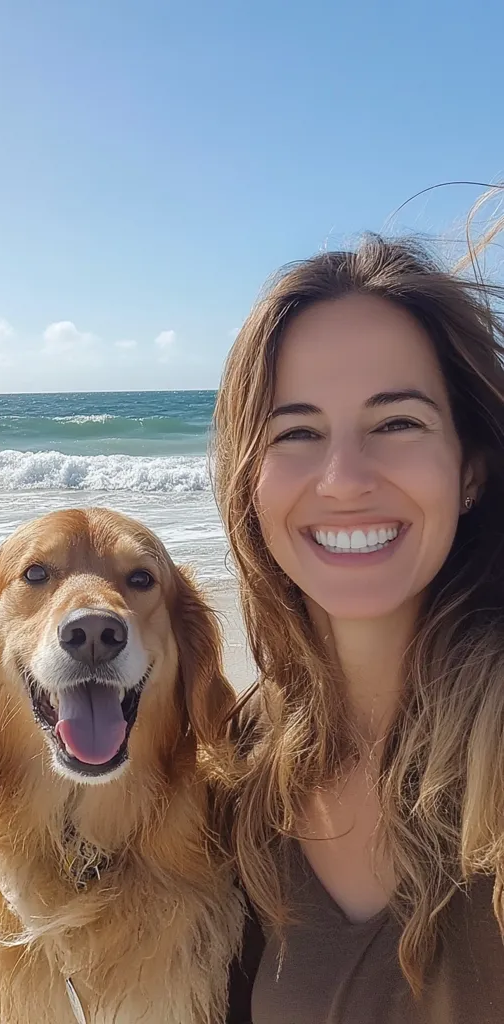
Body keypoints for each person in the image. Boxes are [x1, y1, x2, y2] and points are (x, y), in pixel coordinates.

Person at [213, 221, 504, 1023]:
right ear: (250, 484)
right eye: (297, 433)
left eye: (397, 423)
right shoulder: (238, 767)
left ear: (470, 468)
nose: (343, 479)